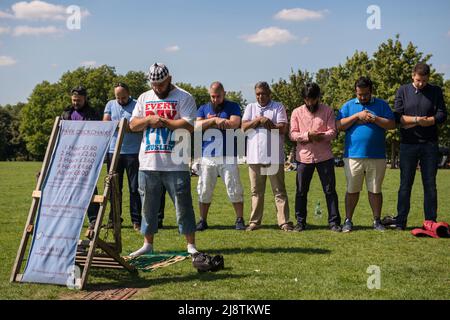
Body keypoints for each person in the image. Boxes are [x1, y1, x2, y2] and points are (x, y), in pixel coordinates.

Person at [129, 63, 198, 257]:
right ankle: (147, 244)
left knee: (183, 205)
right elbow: (133, 124)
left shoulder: (184, 97)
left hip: (176, 162)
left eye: (161, 84)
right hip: (148, 162)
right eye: (154, 85)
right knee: (147, 207)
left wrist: (164, 121)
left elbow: (188, 125)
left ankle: (190, 244)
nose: (157, 88)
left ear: (169, 79)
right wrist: (149, 120)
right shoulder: (144, 97)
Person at [391, 63, 447, 230]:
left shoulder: (435, 91)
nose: (420, 83)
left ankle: (430, 222)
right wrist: (417, 120)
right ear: (412, 76)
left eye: (423, 80)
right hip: (408, 145)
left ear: (428, 78)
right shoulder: (403, 91)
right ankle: (401, 221)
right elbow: (397, 116)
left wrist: (428, 121)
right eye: (417, 80)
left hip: (430, 145)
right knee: (405, 184)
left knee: (430, 184)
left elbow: (442, 114)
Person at [336, 77, 395, 232]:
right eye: (359, 94)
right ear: (356, 92)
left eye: (365, 94)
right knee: (352, 190)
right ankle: (348, 221)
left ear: (371, 91)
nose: (362, 97)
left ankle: (376, 221)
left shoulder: (381, 105)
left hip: (377, 156)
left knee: (375, 190)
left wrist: (374, 118)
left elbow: (391, 124)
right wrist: (357, 116)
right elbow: (339, 126)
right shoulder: (348, 105)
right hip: (353, 155)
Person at [242, 81, 293, 231]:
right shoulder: (250, 108)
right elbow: (243, 127)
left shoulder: (278, 107)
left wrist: (269, 123)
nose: (260, 96)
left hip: (274, 156)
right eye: (258, 94)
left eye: (263, 93)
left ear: (269, 94)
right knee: (256, 192)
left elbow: (283, 128)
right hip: (254, 157)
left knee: (279, 191)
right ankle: (254, 222)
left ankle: (283, 222)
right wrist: (257, 120)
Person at [290, 83, 342, 232]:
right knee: (301, 191)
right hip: (303, 159)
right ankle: (300, 222)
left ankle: (334, 222)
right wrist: (307, 135)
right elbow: (292, 134)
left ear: (318, 97)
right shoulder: (296, 112)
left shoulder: (328, 111)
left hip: (324, 157)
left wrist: (321, 136)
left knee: (330, 190)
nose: (310, 103)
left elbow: (333, 131)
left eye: (313, 99)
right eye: (307, 100)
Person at [195, 81, 245, 231]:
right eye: (213, 96)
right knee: (204, 189)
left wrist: (209, 123)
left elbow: (235, 123)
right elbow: (196, 127)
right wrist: (215, 120)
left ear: (224, 94)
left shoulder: (233, 106)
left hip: (228, 153)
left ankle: (239, 219)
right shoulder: (203, 108)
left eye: (218, 96)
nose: (215, 99)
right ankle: (202, 220)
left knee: (234, 187)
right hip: (207, 155)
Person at [103, 82, 143, 232]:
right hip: (114, 152)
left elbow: (137, 125)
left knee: (134, 188)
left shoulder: (137, 105)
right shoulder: (110, 105)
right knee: (114, 188)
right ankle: (114, 219)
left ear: (129, 93)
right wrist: (125, 126)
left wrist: (123, 126)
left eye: (123, 97)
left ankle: (136, 221)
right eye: (118, 97)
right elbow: (106, 124)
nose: (121, 100)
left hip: (133, 152)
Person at [61, 86, 101, 231]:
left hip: (86, 155)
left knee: (89, 187)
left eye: (78, 100)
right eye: (74, 100)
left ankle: (94, 219)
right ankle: (70, 217)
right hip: (69, 156)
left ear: (85, 98)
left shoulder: (93, 114)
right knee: (69, 186)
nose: (76, 102)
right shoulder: (66, 113)